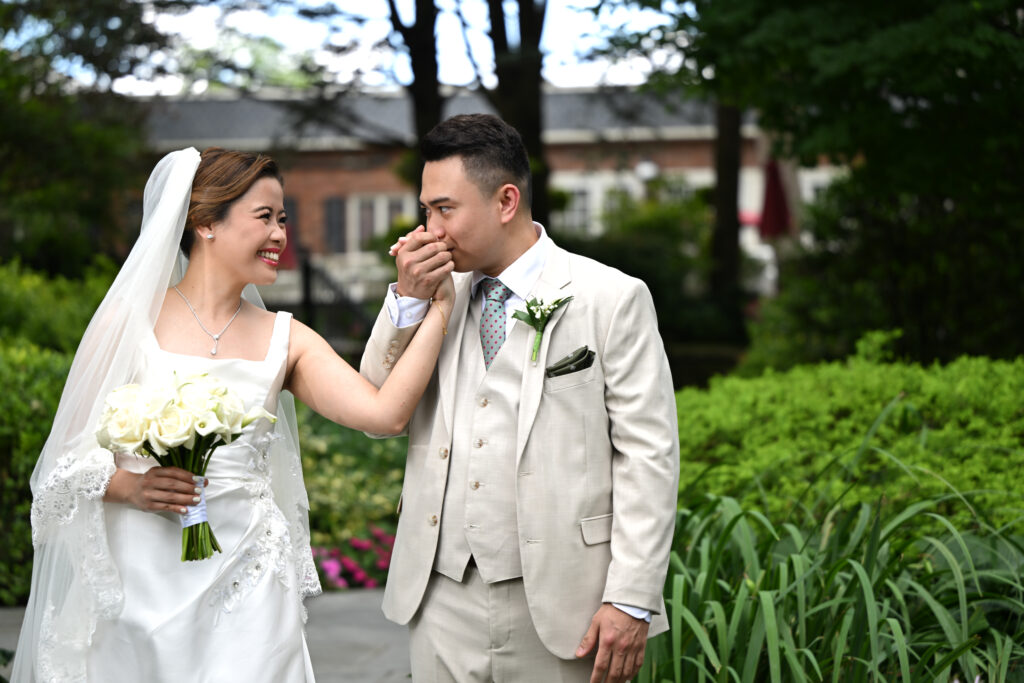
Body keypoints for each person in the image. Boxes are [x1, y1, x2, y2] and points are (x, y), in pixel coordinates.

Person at [11, 147, 453, 682]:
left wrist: (439, 311)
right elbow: (61, 468)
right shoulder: (128, 326)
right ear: (205, 224)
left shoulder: (286, 339)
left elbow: (383, 415)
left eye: (283, 219)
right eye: (264, 217)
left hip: (249, 584)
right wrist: (129, 488)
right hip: (139, 583)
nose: (280, 235)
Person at [360, 114, 679, 683]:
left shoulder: (610, 298)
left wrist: (632, 597)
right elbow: (375, 405)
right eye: (426, 211)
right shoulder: (436, 296)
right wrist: (407, 302)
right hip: (440, 596)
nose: (429, 231)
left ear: (506, 201)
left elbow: (648, 454)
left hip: (566, 601)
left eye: (444, 209)